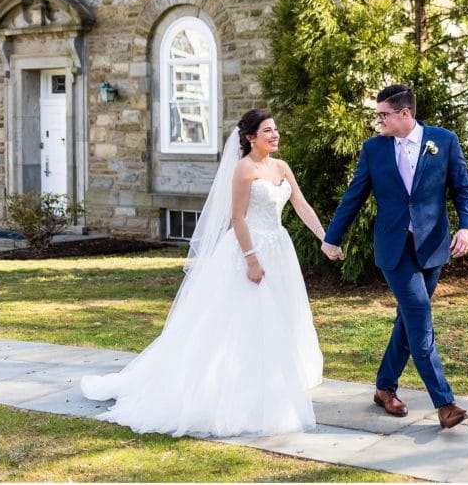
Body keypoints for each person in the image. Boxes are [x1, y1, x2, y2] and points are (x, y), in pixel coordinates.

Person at [81, 109, 325, 438]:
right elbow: (238, 218)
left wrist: (326, 238)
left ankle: (274, 380)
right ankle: (235, 387)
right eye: (268, 130)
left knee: (281, 315)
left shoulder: (281, 168)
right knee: (244, 318)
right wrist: (251, 259)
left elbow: (301, 203)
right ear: (251, 136)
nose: (275, 134)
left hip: (279, 249)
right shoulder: (244, 170)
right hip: (248, 250)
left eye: (275, 129)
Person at [322, 85, 468, 429]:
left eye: (383, 115)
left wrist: (467, 228)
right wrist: (332, 238)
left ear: (404, 114)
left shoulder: (444, 141)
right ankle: (445, 403)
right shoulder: (373, 149)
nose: (378, 121)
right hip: (394, 248)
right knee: (419, 316)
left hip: (432, 247)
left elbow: (463, 188)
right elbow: (354, 196)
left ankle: (384, 388)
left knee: (407, 321)